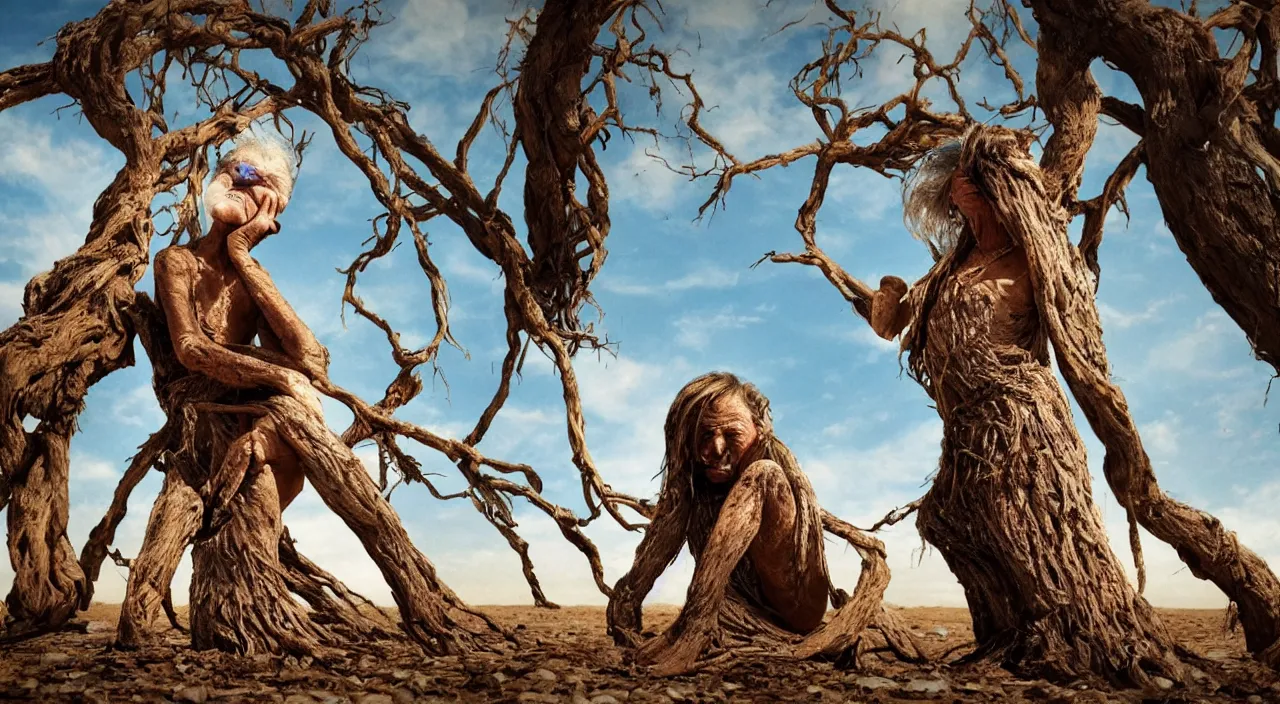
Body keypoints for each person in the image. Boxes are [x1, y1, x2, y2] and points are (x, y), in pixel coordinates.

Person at [153, 132, 327, 530]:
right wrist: (281, 376)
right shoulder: (177, 261)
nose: (246, 185)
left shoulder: (252, 279)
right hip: (198, 418)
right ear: (219, 176)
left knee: (293, 416)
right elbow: (190, 349)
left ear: (271, 215)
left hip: (247, 413)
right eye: (242, 171)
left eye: (266, 190)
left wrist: (242, 255)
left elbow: (310, 359)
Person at [606, 372, 830, 675]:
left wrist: (692, 628)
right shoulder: (692, 484)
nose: (714, 448)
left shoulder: (769, 470)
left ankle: (694, 632)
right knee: (683, 492)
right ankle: (699, 628)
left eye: (732, 435)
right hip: (745, 611)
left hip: (796, 609)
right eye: (704, 435)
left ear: (760, 429)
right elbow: (658, 548)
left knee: (763, 474)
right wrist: (625, 609)